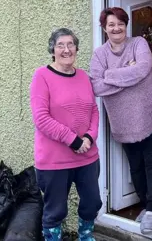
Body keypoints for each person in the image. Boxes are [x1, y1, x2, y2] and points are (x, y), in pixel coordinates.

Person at [89, 7, 152, 235]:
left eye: (120, 23)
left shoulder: (138, 44)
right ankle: (144, 203)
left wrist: (110, 74)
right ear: (104, 28)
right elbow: (96, 86)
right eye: (111, 24)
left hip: (147, 115)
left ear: (126, 25)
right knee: (136, 166)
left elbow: (142, 69)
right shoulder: (100, 54)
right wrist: (125, 74)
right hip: (122, 121)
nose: (116, 28)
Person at [30, 28, 102, 241]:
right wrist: (73, 140)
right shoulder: (41, 76)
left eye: (70, 44)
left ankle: (86, 236)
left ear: (76, 49)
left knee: (92, 202)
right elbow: (41, 118)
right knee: (55, 210)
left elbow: (94, 110)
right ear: (52, 49)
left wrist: (89, 137)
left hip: (87, 156)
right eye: (60, 45)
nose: (66, 49)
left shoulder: (83, 76)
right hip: (54, 160)